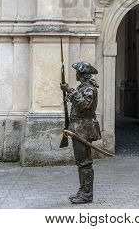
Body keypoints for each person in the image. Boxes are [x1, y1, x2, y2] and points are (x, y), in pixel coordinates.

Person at [60, 61, 100, 204]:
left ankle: (86, 194)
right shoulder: (83, 87)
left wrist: (70, 90)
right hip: (79, 127)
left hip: (84, 128)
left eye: (77, 72)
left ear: (82, 74)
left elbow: (84, 105)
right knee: (81, 162)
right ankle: (83, 190)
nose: (76, 74)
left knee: (85, 162)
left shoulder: (88, 88)